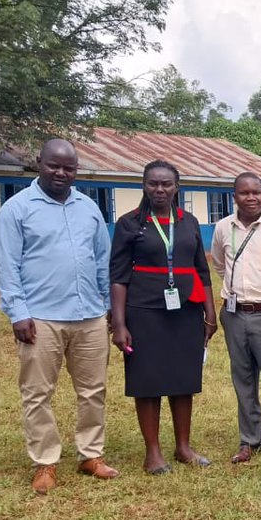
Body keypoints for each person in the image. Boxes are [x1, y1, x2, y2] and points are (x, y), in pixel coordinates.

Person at [0, 138, 119, 493]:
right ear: (40, 163)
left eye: (69, 168)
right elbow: (7, 267)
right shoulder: (16, 210)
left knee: (93, 389)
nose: (61, 173)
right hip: (40, 318)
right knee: (37, 392)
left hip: (89, 316)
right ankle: (45, 461)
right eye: (54, 165)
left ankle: (90, 454)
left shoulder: (89, 208)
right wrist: (18, 313)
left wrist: (108, 306)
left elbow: (101, 260)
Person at [110, 160, 217, 474]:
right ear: (144, 185)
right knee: (148, 381)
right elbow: (117, 276)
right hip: (143, 311)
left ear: (176, 187)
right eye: (153, 184)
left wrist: (210, 311)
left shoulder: (189, 221)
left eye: (166, 184)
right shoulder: (129, 223)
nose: (159, 189)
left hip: (185, 310)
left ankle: (183, 447)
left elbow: (202, 269)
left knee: (183, 379)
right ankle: (153, 452)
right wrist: (119, 324)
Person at [209, 171, 261, 463]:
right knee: (242, 379)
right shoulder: (223, 228)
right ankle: (249, 440)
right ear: (235, 197)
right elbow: (220, 264)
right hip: (234, 314)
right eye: (245, 193)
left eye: (257, 192)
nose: (252, 197)